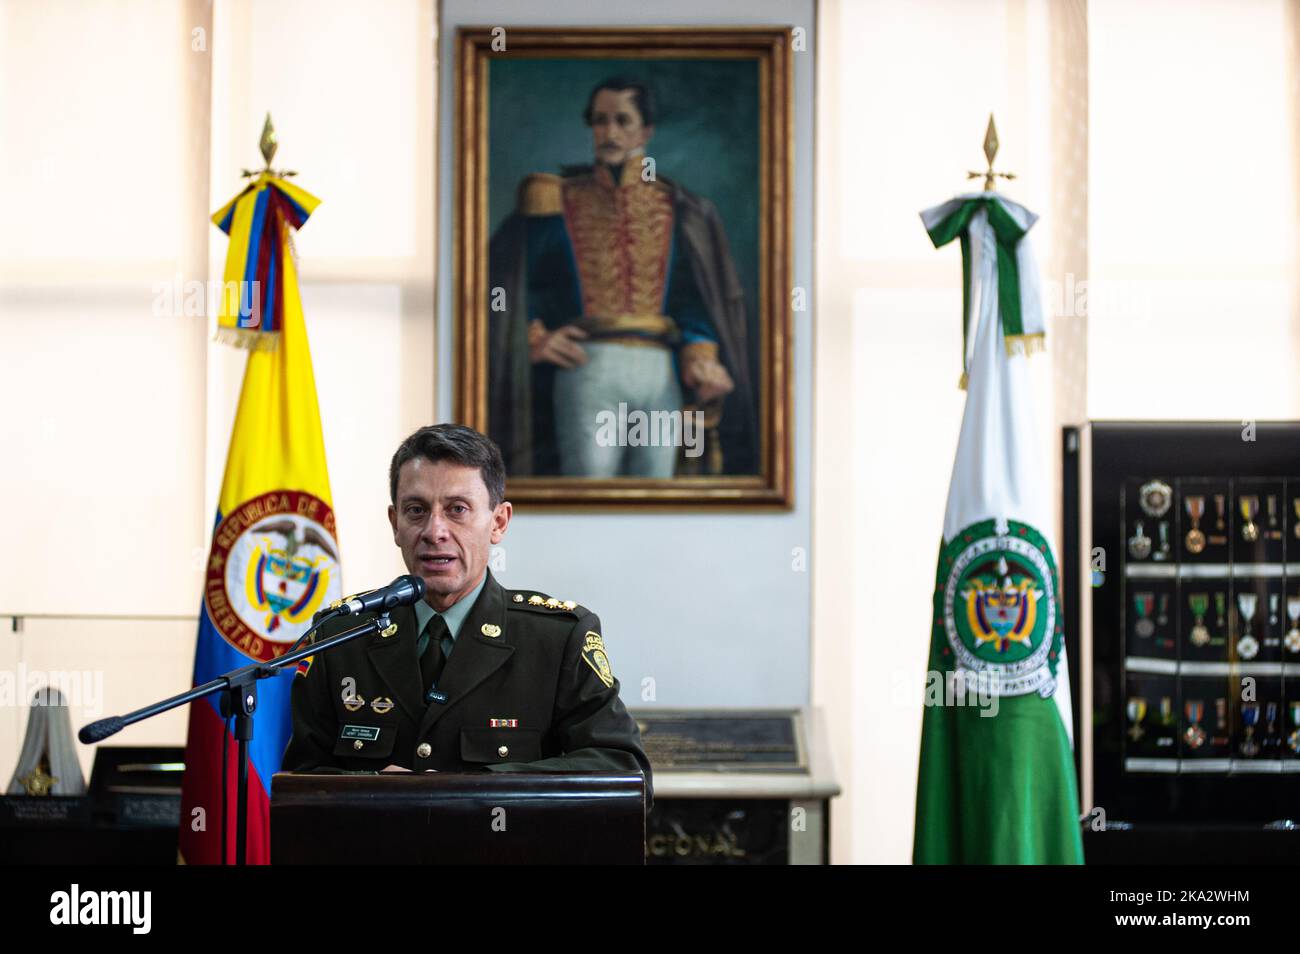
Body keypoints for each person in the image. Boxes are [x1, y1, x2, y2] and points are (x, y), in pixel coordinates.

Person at [281, 423, 652, 806]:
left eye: (457, 510)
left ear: (499, 522)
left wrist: (466, 789)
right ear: (395, 524)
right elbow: (300, 785)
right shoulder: (342, 636)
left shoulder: (557, 639)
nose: (434, 530)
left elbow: (624, 770)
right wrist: (374, 784)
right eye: (416, 510)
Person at [488, 75, 756, 478]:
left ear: (645, 129)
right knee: (588, 495)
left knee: (655, 497)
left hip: (658, 370)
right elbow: (511, 284)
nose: (609, 132)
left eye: (622, 120)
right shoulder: (554, 199)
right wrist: (534, 336)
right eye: (599, 120)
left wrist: (701, 355)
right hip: (588, 367)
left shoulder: (681, 208)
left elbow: (692, 300)